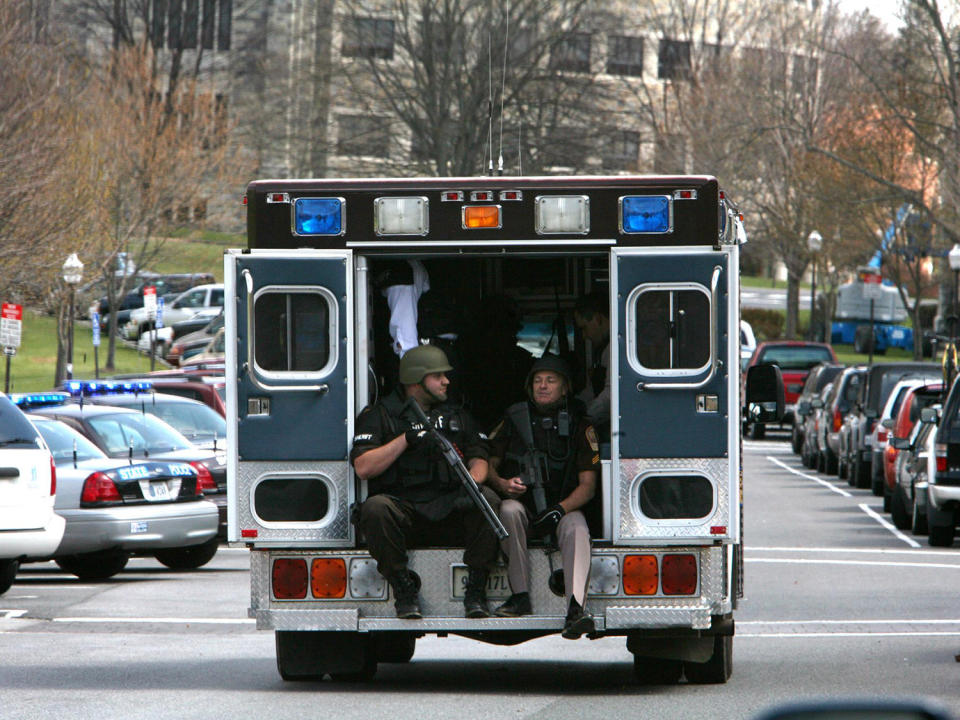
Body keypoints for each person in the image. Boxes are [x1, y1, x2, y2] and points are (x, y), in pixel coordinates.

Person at [351, 344, 501, 620]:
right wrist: (406, 439)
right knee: (375, 508)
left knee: (487, 500)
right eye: (438, 376)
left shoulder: (456, 414)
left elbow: (480, 459)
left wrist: (470, 481)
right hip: (405, 509)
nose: (446, 381)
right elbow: (363, 467)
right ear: (415, 381)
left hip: (451, 504)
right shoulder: (381, 415)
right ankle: (404, 591)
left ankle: (476, 589)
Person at [485, 354, 601, 639]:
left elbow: (588, 485)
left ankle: (576, 609)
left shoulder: (580, 424)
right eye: (537, 381)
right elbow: (485, 462)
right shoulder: (513, 418)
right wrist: (502, 484)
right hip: (523, 508)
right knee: (509, 510)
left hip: (563, 507)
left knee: (577, 527)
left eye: (551, 380)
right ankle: (520, 597)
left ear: (565, 387)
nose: (543, 386)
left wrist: (560, 510)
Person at [573, 292, 610, 440]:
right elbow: (592, 391)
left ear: (597, 318)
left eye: (584, 328)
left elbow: (610, 395)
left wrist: (583, 419)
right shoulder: (602, 350)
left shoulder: (616, 349)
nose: (584, 335)